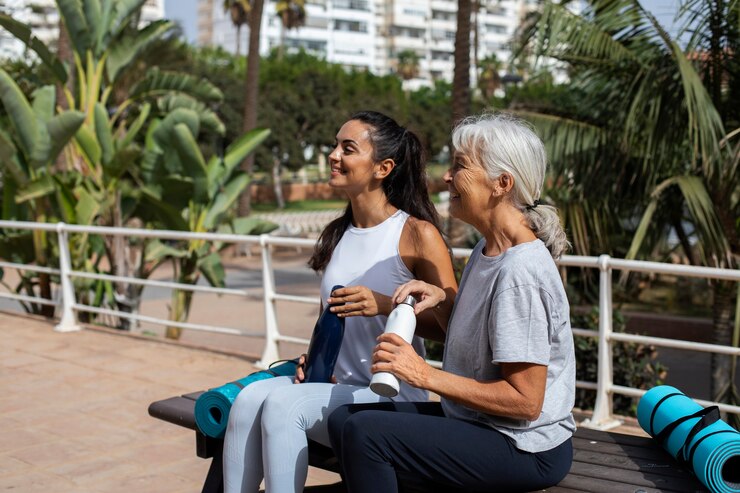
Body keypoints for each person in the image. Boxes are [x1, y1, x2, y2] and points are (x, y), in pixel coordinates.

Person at [327, 114, 576, 493]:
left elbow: (526, 402)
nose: (446, 176)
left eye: (460, 166)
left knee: (366, 434)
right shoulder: (486, 249)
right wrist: (442, 298)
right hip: (478, 422)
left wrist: (422, 374)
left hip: (525, 446)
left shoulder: (520, 272)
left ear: (501, 184)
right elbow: (478, 342)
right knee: (344, 421)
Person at [222, 111, 457, 493]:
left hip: (389, 396)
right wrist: (311, 361)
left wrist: (385, 304)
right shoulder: (337, 235)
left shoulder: (417, 233)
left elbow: (454, 327)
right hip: (333, 387)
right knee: (248, 400)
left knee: (285, 407)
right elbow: (328, 326)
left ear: (383, 167)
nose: (333, 155)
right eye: (335, 145)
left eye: (347, 148)